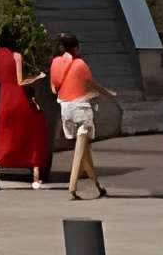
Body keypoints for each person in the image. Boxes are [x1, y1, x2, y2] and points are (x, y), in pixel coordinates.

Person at [50, 30, 118, 199]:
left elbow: (54, 87)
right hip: (81, 109)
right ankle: (72, 186)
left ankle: (97, 185)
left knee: (84, 149)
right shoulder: (80, 64)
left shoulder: (56, 63)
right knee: (81, 148)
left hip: (65, 108)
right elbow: (91, 84)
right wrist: (108, 94)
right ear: (75, 48)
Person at [0, 24, 50, 189]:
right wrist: (37, 77)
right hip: (17, 98)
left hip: (2, 98)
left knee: (5, 134)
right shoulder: (17, 56)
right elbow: (20, 81)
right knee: (33, 130)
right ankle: (36, 178)